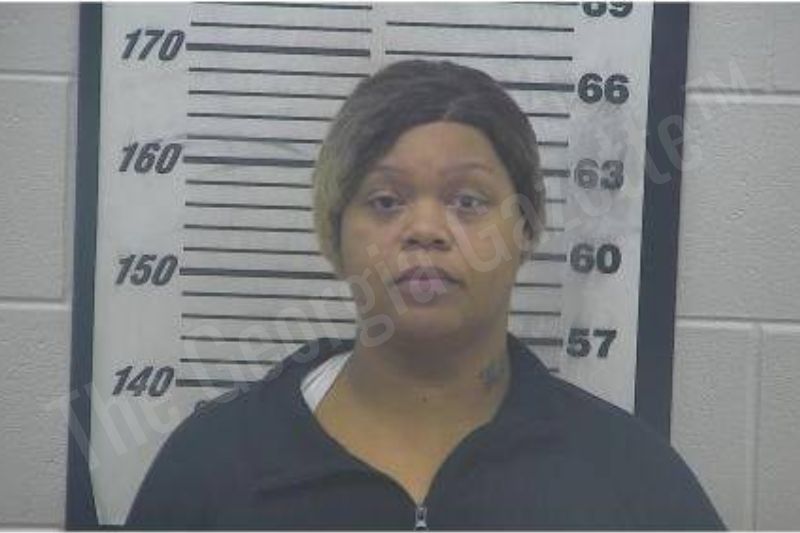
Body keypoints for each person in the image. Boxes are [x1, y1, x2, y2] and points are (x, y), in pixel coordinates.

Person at [125, 60, 725, 530]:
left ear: (526, 230)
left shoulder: (630, 479)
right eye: (386, 201)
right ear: (334, 233)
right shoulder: (212, 470)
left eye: (468, 201)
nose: (426, 230)